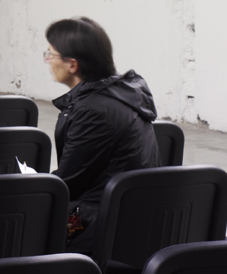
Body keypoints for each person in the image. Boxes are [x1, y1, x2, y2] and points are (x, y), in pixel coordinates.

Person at [46, 16, 159, 252]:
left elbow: (68, 183)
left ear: (72, 64)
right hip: (134, 215)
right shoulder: (122, 93)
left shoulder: (92, 111)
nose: (47, 60)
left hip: (104, 224)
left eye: (50, 54)